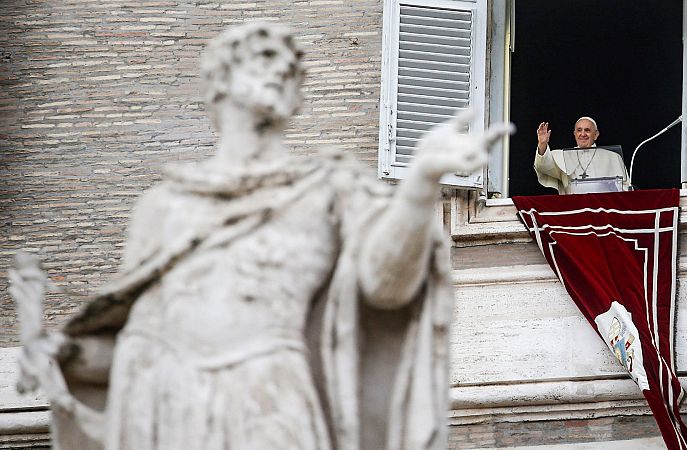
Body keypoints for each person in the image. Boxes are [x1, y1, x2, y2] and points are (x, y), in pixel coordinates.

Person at [9, 21, 512, 450]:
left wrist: (421, 184)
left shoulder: (328, 189)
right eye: (266, 57)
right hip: (157, 403)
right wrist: (66, 352)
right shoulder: (162, 205)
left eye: (293, 68)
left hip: (267, 396)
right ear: (219, 78)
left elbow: (386, 286)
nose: (282, 70)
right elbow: (135, 339)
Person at [533, 117, 629, 194]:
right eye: (579, 130)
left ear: (596, 135)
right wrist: (542, 144)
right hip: (575, 209)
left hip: (604, 209)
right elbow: (543, 166)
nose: (583, 134)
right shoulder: (563, 156)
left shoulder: (612, 157)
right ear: (575, 134)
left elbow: (624, 187)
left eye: (587, 130)